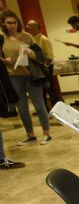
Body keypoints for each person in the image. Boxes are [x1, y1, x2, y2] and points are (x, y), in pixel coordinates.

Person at [0, 10, 52, 145]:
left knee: (39, 105)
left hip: (31, 75)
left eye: (14, 22)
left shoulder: (26, 36)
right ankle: (30, 134)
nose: (12, 25)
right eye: (9, 23)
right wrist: (4, 61)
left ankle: (47, 133)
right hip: (13, 76)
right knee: (22, 108)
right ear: (3, 24)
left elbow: (41, 56)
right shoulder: (1, 39)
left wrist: (31, 53)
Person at [25, 19, 63, 108]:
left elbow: (49, 56)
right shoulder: (30, 39)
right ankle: (44, 109)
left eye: (29, 26)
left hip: (44, 67)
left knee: (51, 89)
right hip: (36, 68)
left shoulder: (44, 39)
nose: (26, 27)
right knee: (41, 90)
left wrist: (42, 63)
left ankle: (57, 108)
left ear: (36, 28)